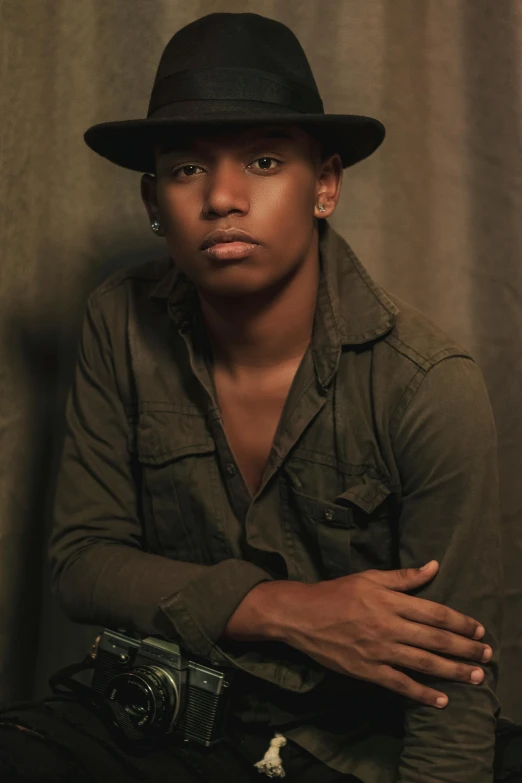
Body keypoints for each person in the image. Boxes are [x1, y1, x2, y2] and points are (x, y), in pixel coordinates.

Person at [0, 11, 507, 783]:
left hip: (349, 745)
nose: (224, 197)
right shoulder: (120, 319)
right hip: (174, 716)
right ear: (151, 199)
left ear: (326, 185)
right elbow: (83, 561)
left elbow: (452, 685)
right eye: (186, 169)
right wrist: (290, 609)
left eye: (265, 161)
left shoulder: (426, 382)